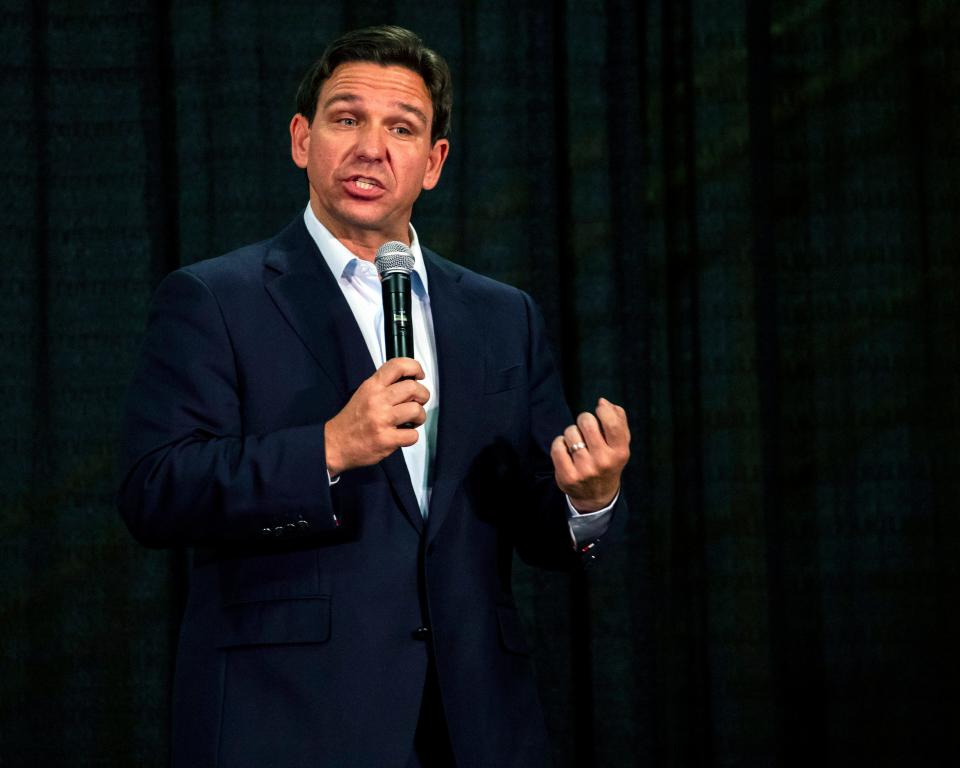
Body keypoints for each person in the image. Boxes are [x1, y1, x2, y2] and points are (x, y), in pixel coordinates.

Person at [117, 25, 630, 768]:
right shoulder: (213, 299)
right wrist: (327, 448)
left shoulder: (501, 314)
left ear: (434, 162)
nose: (371, 147)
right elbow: (153, 490)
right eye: (346, 118)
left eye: (402, 128)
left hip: (475, 722)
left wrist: (590, 499)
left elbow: (535, 523)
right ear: (302, 139)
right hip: (288, 719)